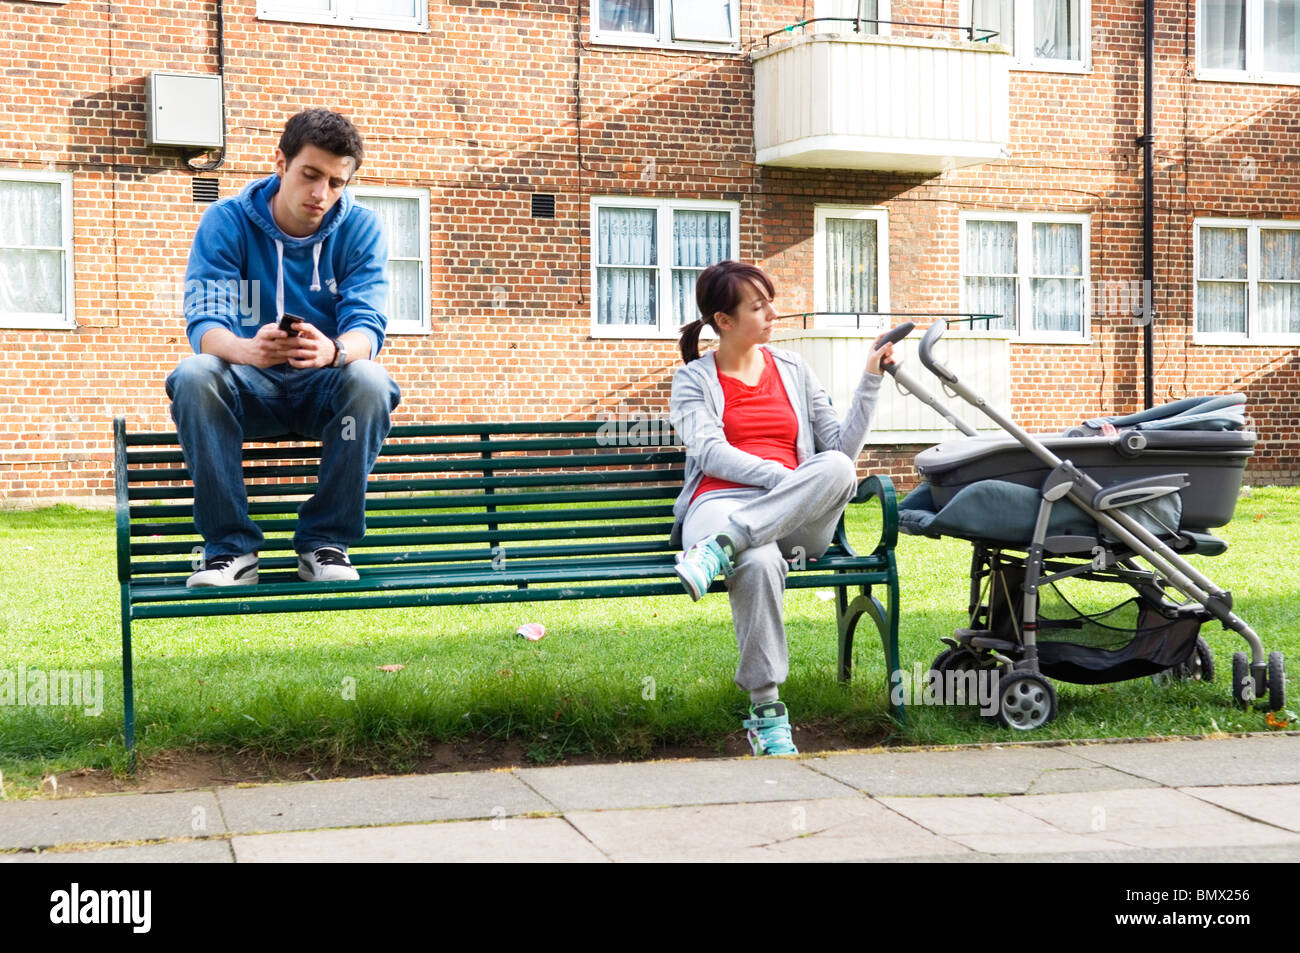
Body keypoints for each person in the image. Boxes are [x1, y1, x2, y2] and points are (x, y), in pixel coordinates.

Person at [166, 109, 401, 588]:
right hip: (248, 391)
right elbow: (206, 320)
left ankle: (324, 543)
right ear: (280, 162)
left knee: (370, 379)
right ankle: (230, 551)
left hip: (326, 394)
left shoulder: (361, 228)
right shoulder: (226, 222)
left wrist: (334, 351)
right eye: (310, 175)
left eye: (336, 183)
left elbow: (368, 326)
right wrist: (246, 350)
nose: (321, 194)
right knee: (194, 374)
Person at [668, 261, 894, 756]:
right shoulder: (692, 382)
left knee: (836, 467)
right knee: (758, 558)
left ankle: (720, 549)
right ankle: (767, 713)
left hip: (792, 522)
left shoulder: (793, 369)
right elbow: (709, 453)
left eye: (769, 301)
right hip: (719, 501)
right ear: (723, 321)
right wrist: (785, 478)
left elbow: (840, 451)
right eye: (758, 306)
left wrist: (870, 379)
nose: (773, 313)